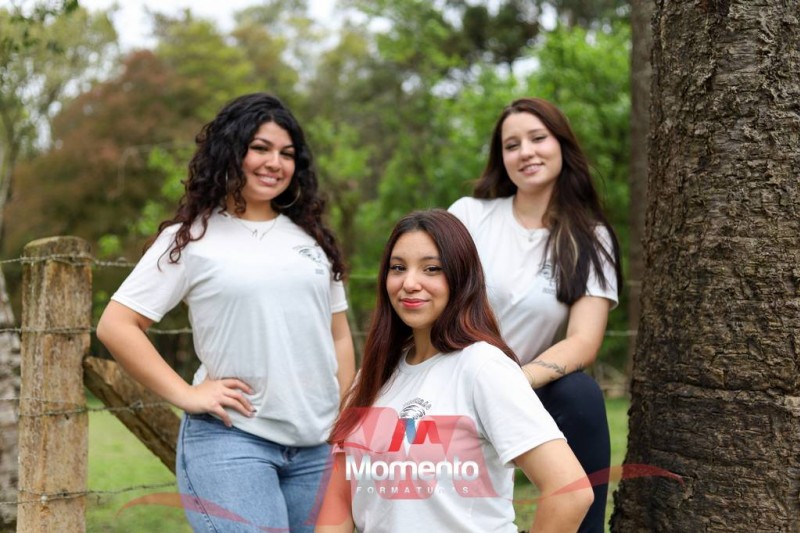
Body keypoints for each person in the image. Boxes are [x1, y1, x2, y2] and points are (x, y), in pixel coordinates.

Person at [96, 92, 355, 532]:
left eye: (287, 153)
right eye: (260, 148)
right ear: (230, 150)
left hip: (317, 450)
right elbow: (117, 325)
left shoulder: (312, 240)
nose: (275, 163)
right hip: (232, 442)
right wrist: (186, 394)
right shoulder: (192, 238)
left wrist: (345, 417)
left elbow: (339, 335)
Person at [315, 209, 593, 533]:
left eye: (431, 269)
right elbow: (339, 505)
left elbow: (570, 493)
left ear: (460, 277)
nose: (409, 283)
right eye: (398, 268)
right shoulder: (371, 378)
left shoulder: (484, 367)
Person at [448, 97, 622, 532]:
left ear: (561, 144)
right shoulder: (469, 216)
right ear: (501, 159)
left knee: (580, 394)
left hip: (524, 385)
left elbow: (583, 340)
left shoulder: (591, 238)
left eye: (537, 138)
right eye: (512, 145)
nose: (525, 152)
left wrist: (513, 382)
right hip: (452, 380)